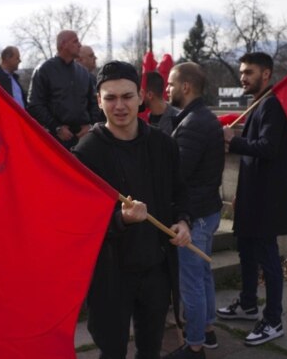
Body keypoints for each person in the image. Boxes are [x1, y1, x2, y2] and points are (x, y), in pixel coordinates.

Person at [72, 60, 191, 359]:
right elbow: (80, 221)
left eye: (126, 96)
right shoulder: (86, 152)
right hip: (110, 274)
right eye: (110, 98)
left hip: (155, 268)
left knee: (150, 348)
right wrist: (119, 219)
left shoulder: (164, 145)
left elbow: (180, 194)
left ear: (141, 97)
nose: (119, 105)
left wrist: (183, 221)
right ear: (99, 102)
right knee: (111, 350)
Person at [217, 52, 287, 346]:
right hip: (252, 196)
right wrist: (241, 192)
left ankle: (273, 320)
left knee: (268, 258)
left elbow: (268, 148)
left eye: (249, 72)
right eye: (241, 72)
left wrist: (231, 140)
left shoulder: (273, 105)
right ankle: (249, 304)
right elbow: (254, 157)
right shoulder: (258, 104)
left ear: (266, 74)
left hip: (267, 200)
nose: (243, 77)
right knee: (246, 251)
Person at [162, 63, 225, 359]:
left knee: (192, 283)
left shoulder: (192, 124)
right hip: (208, 211)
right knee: (202, 274)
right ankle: (208, 331)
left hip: (196, 216)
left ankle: (195, 345)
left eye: (171, 84)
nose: (167, 90)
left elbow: (179, 176)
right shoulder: (203, 118)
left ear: (186, 87)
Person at [28, 30, 100, 149]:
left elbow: (94, 103)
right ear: (63, 44)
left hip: (84, 139)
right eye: (75, 41)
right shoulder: (44, 70)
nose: (80, 45)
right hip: (55, 141)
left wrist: (90, 126)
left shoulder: (83, 73)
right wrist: (56, 127)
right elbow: (35, 104)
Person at [144, 71, 179, 136]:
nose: (137, 97)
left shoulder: (179, 119)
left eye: (140, 93)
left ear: (149, 95)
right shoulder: (143, 120)